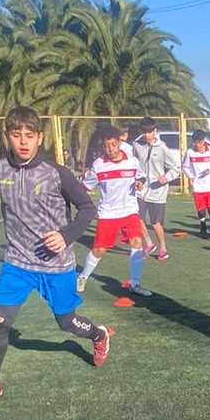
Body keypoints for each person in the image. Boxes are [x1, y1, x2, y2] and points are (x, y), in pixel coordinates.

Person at [0, 106, 110, 409]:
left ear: (40, 138)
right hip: (17, 263)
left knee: (66, 322)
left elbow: (88, 209)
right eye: (16, 134)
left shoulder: (56, 173)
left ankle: (98, 334)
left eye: (29, 136)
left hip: (56, 266)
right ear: (7, 136)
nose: (23, 141)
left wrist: (66, 235)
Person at [77, 125, 151, 296]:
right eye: (106, 146)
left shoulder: (132, 161)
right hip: (108, 214)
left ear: (119, 143)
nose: (110, 149)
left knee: (137, 244)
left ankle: (135, 284)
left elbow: (141, 175)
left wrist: (140, 182)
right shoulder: (98, 165)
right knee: (100, 250)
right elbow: (85, 187)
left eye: (113, 144)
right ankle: (83, 276)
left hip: (130, 210)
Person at [132, 117, 180, 261]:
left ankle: (163, 248)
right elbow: (134, 164)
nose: (147, 135)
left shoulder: (162, 147)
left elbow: (175, 169)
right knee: (137, 218)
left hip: (158, 192)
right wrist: (136, 180)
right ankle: (149, 244)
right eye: (145, 132)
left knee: (155, 223)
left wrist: (166, 178)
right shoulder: (136, 144)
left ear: (155, 131)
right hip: (141, 191)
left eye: (150, 132)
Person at [182, 129, 210, 238]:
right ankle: (203, 224)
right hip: (197, 185)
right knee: (201, 210)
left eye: (199, 142)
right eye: (195, 142)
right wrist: (190, 176)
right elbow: (185, 166)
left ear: (204, 141)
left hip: (209, 185)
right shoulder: (190, 152)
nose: (197, 145)